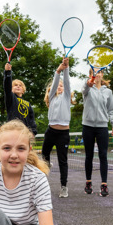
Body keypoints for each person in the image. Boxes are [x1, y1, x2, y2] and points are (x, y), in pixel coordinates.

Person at [81, 68, 113, 197]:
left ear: (102, 75)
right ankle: (88, 183)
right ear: (90, 75)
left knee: (103, 155)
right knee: (89, 156)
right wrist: (87, 83)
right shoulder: (87, 88)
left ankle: (104, 185)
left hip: (102, 127)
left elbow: (111, 110)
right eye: (94, 72)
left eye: (99, 72)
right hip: (88, 126)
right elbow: (83, 90)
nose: (97, 74)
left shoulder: (108, 92)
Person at [41, 57, 72, 198]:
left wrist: (66, 68)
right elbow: (55, 84)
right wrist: (58, 71)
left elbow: (67, 82)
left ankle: (64, 187)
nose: (60, 86)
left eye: (61, 85)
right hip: (51, 131)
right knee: (44, 156)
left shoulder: (66, 97)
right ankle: (41, 185)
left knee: (62, 161)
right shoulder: (52, 97)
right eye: (57, 85)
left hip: (63, 134)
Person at [3, 63, 37, 135]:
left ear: (23, 90)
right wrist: (8, 73)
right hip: (13, 130)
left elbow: (31, 119)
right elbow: (7, 87)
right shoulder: (11, 98)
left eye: (20, 85)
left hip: (25, 132)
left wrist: (33, 131)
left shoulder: (28, 104)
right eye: (15, 85)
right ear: (11, 89)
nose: (18, 86)